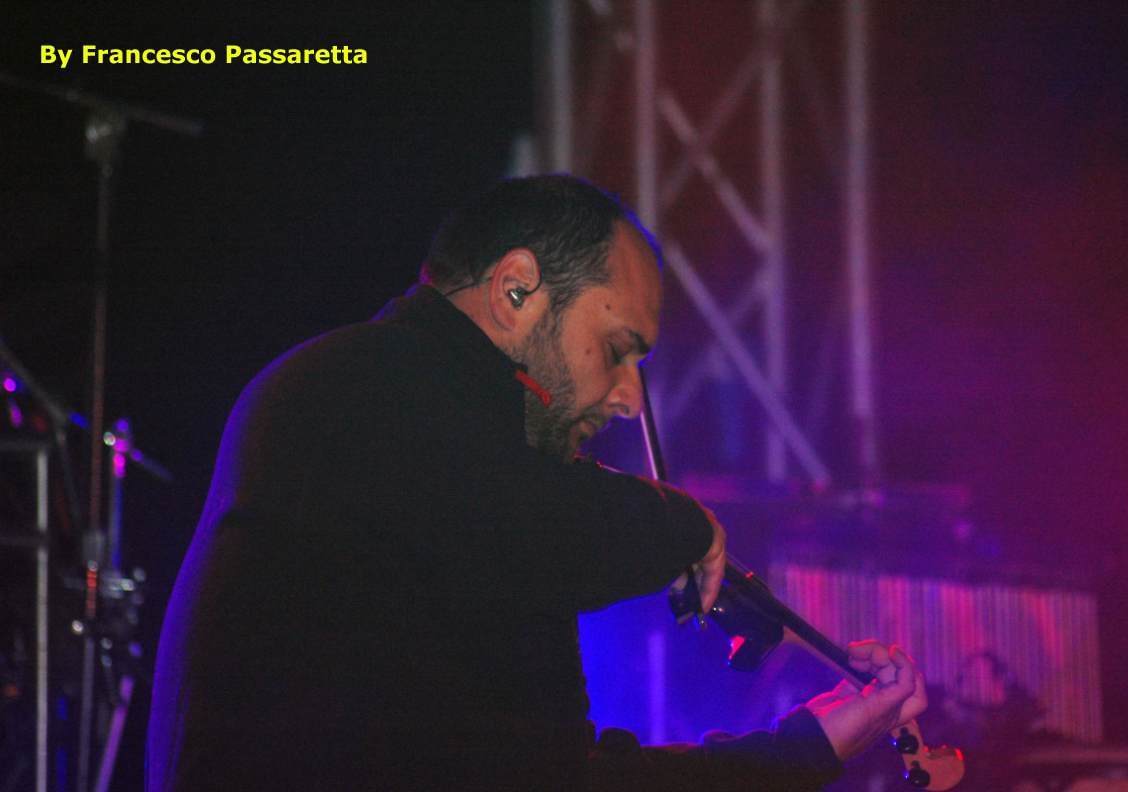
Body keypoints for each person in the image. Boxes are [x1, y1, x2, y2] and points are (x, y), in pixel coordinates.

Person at [146, 175, 926, 791]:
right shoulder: (352, 385)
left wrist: (805, 748)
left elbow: (555, 779)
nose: (629, 398)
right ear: (516, 289)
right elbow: (542, 523)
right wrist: (684, 522)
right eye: (616, 349)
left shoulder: (483, 502)